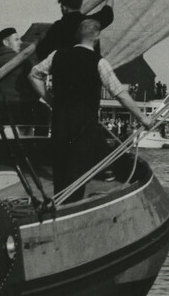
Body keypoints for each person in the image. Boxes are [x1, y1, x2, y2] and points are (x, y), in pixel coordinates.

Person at [29, 14, 153, 204]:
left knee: (61, 168)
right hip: (84, 123)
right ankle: (72, 209)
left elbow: (34, 75)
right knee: (78, 171)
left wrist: (50, 101)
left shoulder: (57, 55)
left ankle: (59, 205)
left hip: (60, 120)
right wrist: (142, 117)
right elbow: (119, 93)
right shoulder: (99, 62)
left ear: (78, 35)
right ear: (97, 37)